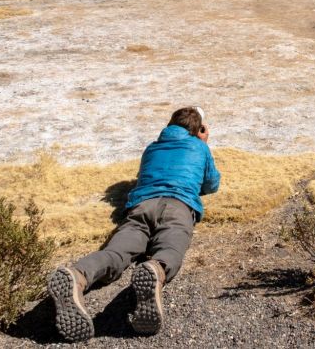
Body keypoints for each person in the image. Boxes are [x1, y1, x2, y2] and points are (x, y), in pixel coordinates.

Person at [48, 106, 220, 340]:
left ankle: (78, 274)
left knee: (116, 252)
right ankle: (156, 270)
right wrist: (203, 143)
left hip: (142, 205)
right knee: (170, 248)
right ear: (198, 129)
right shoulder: (199, 147)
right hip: (178, 206)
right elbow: (211, 184)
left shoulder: (152, 148)